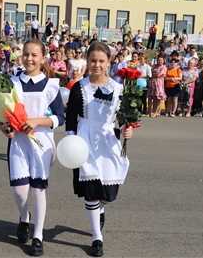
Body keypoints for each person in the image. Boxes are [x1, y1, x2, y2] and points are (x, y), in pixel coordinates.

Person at [0, 39, 65, 256]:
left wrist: (37, 121)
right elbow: (4, 113)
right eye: (26, 54)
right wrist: (4, 126)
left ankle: (38, 236)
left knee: (38, 189)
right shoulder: (12, 82)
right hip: (18, 142)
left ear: (43, 59)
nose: (29, 58)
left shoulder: (52, 85)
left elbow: (59, 118)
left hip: (41, 143)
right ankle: (24, 217)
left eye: (34, 55)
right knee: (19, 190)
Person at [65, 41, 132, 257]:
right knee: (91, 190)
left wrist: (126, 129)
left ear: (108, 62)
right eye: (92, 60)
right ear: (87, 61)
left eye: (101, 61)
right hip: (84, 140)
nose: (96, 64)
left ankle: (101, 209)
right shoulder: (79, 86)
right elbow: (71, 117)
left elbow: (122, 118)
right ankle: (97, 238)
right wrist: (70, 140)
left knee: (109, 193)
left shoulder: (119, 88)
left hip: (108, 140)